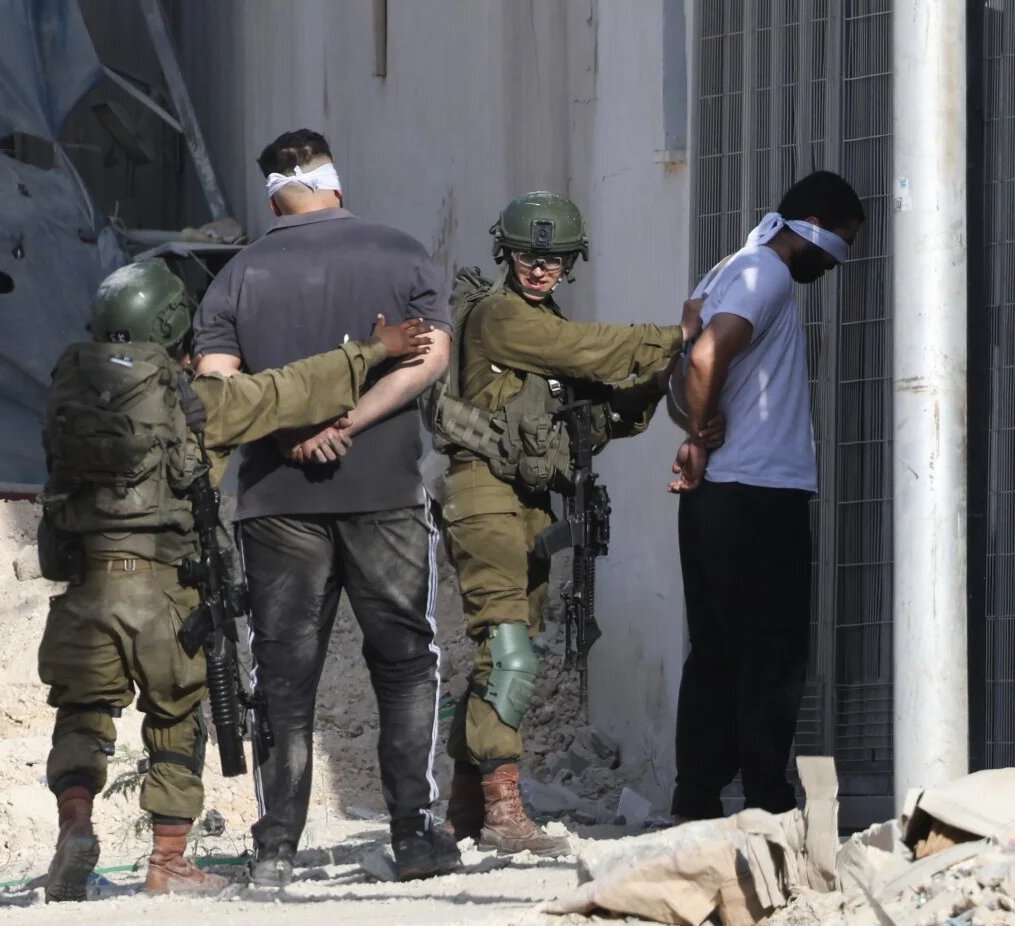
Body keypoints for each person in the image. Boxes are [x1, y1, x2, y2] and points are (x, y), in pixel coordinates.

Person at [38, 257, 431, 900]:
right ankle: (168, 863)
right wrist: (373, 349)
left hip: (85, 589)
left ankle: (74, 826)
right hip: (163, 591)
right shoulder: (194, 403)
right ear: (170, 324)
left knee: (82, 716)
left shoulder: (69, 395)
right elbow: (293, 389)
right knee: (176, 718)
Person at [193, 128, 459, 885]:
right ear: (334, 183)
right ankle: (413, 834)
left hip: (274, 498)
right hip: (384, 491)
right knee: (406, 662)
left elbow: (217, 388)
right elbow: (431, 356)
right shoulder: (399, 253)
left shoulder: (235, 276)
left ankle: (276, 848)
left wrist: (293, 432)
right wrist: (348, 423)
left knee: (282, 672)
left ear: (272, 193)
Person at [429, 192, 702, 856]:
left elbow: (597, 414)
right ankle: (501, 812)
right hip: (484, 496)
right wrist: (678, 337)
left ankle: (466, 807)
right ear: (505, 253)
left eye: (552, 259)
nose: (538, 269)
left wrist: (651, 379)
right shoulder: (501, 317)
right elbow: (588, 351)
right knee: (510, 653)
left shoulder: (538, 324)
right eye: (527, 255)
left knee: (504, 651)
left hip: (523, 500)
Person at [665, 170, 864, 821]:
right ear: (813, 229)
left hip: (717, 498)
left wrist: (696, 434)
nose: (838, 263)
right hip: (757, 495)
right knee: (770, 650)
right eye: (840, 244)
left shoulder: (726, 268)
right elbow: (701, 362)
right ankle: (766, 800)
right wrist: (699, 433)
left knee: (718, 648)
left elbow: (685, 355)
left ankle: (695, 797)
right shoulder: (765, 274)